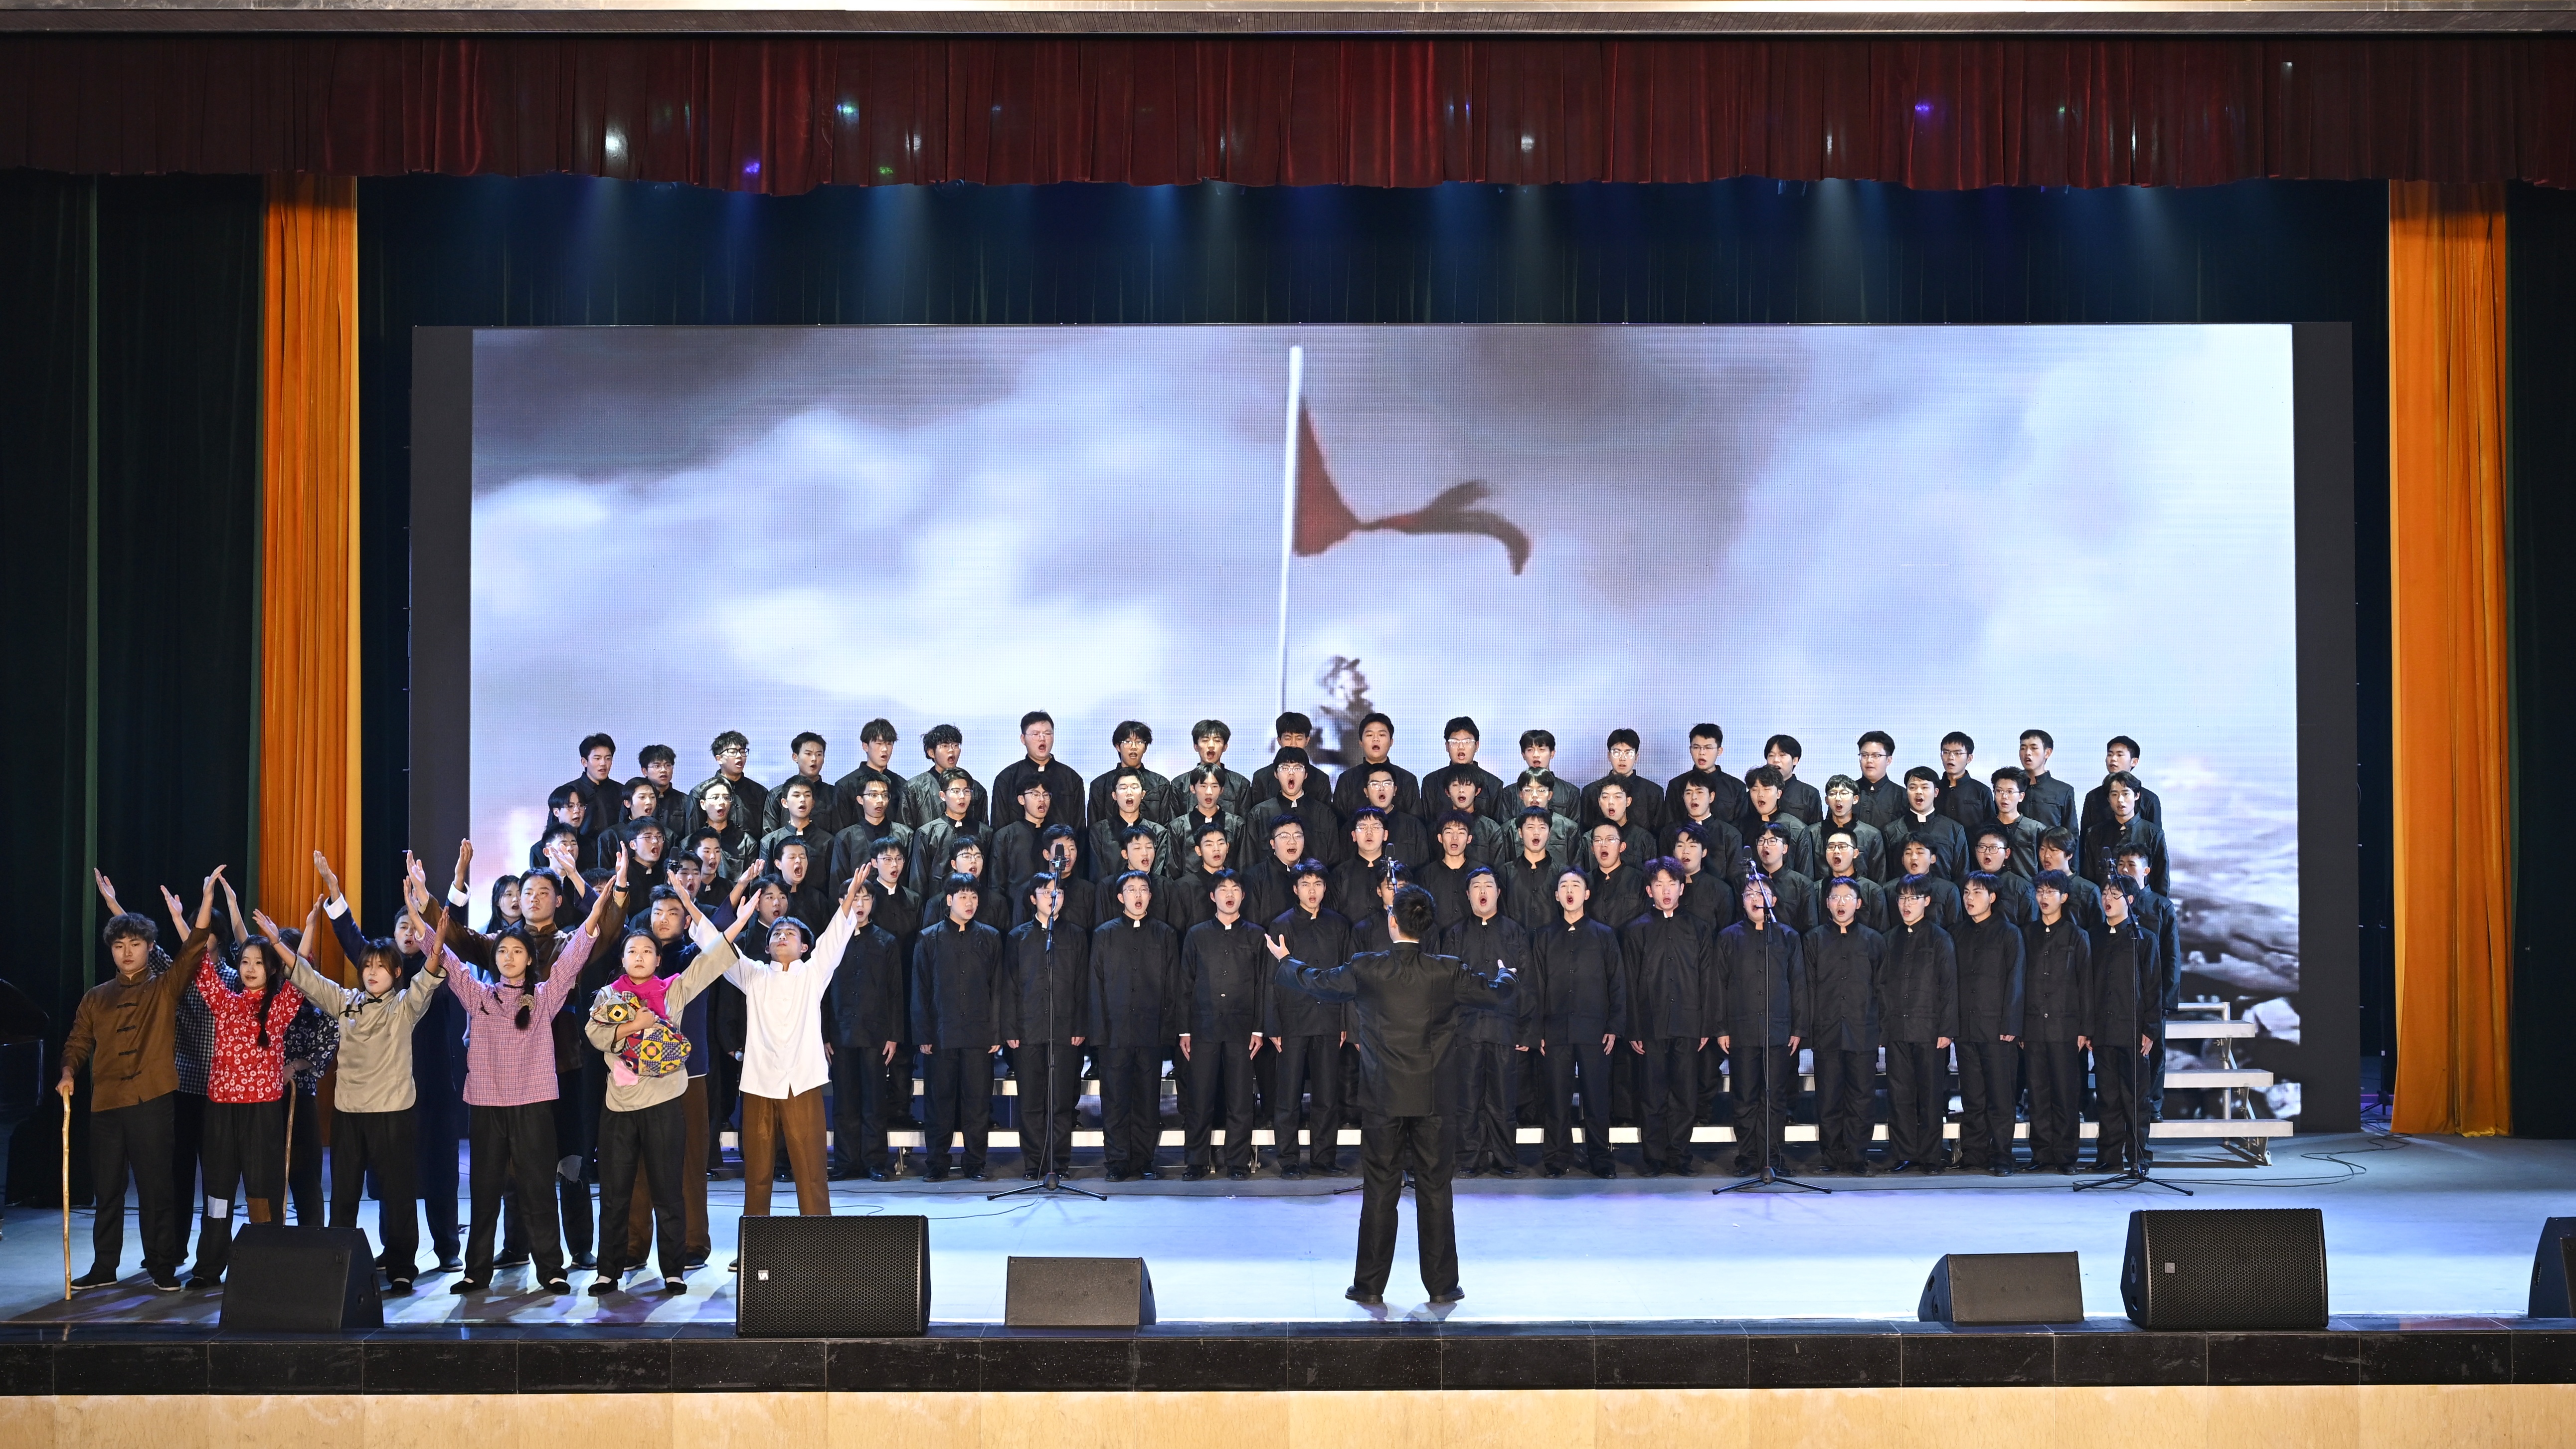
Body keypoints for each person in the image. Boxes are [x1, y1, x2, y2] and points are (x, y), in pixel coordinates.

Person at [1270, 883, 1514, 1306]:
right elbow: (1498, 994)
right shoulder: (1447, 971)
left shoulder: (1368, 967)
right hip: (1434, 1099)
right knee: (1435, 1191)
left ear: (1393, 922)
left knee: (1380, 1190)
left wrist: (1286, 961)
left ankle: (1369, 1285)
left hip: (1383, 1097)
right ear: (1427, 925)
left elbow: (1318, 983)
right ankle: (1442, 1286)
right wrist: (1507, 974)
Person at [424, 847, 621, 1294]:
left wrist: (597, 907)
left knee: (538, 1187)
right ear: (494, 958)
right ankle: (477, 1270)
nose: (509, 957)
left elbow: (576, 956)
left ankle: (551, 1268)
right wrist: (422, 904)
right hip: (487, 1105)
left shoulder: (545, 996)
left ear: (530, 959)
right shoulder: (479, 995)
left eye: (518, 951)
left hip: (534, 1102)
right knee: (485, 1191)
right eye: (503, 951)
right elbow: (445, 956)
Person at [270, 870, 446, 1293]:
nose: (371, 973)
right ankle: (340, 1263)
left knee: (398, 1193)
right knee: (345, 1194)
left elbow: (430, 973)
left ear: (396, 973)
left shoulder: (405, 1005)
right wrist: (277, 942)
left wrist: (434, 935)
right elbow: (308, 980)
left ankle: (402, 1265)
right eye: (367, 966)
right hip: (349, 1113)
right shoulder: (346, 1001)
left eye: (380, 967)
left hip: (393, 1113)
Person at [57, 870, 216, 1292]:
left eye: (135, 945)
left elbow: (193, 951)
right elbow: (78, 1041)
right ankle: (104, 1266)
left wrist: (205, 900)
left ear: (149, 948)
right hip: (107, 1103)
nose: (127, 953)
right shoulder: (96, 997)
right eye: (119, 946)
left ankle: (162, 1265)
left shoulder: (164, 987)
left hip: (153, 1101)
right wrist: (69, 1072)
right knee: (107, 1190)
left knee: (156, 1188)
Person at [582, 882, 738, 1295]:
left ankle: (673, 1269)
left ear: (657, 959)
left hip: (666, 1102)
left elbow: (711, 960)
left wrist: (740, 918)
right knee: (616, 1192)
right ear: (622, 959)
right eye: (632, 951)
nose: (639, 957)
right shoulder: (609, 995)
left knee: (670, 1190)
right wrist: (634, 1025)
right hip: (620, 1106)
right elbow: (596, 1036)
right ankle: (608, 1270)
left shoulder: (672, 991)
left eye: (647, 952)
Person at [726, 866, 865, 1220]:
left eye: (790, 933)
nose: (782, 936)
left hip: (802, 1081)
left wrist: (851, 894)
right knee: (757, 1172)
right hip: (759, 1080)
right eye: (776, 933)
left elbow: (834, 937)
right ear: (767, 946)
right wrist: (690, 903)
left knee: (811, 1168)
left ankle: (819, 1238)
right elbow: (718, 949)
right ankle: (755, 1238)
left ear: (804, 946)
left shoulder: (812, 972)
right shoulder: (754, 974)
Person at [187, 896, 309, 1287]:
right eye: (244, 962)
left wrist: (292, 935)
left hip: (262, 1111)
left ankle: (265, 1266)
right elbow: (197, 958)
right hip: (221, 1110)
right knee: (218, 1192)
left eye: (258, 963)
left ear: (271, 968)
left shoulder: (279, 1007)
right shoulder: (225, 1002)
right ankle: (209, 1266)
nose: (250, 969)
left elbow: (302, 970)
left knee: (262, 1192)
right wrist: (192, 910)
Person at [911, 872, 1014, 1182]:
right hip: (941, 1034)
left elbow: (998, 989)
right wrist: (923, 1033)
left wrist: (996, 1032)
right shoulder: (929, 938)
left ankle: (975, 1164)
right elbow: (920, 989)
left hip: (979, 1034)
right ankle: (937, 1164)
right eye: (963, 897)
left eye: (974, 897)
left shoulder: (991, 937)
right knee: (939, 1102)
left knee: (977, 1102)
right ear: (949, 900)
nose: (970, 903)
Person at [1435, 866, 1534, 1177]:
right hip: (1466, 1028)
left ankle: (1506, 1159)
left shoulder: (1515, 932)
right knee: (1468, 1099)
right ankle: (1469, 1159)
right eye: (1476, 886)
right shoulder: (1454, 934)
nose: (1483, 891)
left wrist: (1526, 1030)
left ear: (1498, 893)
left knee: (1503, 1099)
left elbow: (1528, 983)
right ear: (1468, 895)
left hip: (1504, 1027)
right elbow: (1445, 986)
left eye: (1488, 886)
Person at [1622, 859, 1716, 1177]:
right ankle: (1654, 1158)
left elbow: (1707, 979)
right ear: (1649, 891)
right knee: (1652, 1095)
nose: (1666, 890)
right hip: (1650, 1024)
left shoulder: (1699, 928)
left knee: (1685, 1095)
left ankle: (1679, 1156)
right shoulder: (1636, 930)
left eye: (1672, 884)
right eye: (1659, 884)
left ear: (1681, 888)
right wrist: (1633, 1028)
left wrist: (1706, 1025)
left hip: (1688, 1023)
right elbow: (1630, 982)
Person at [1533, 868, 1623, 1180]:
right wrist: (1537, 1030)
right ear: (1557, 896)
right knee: (1556, 1100)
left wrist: (1614, 1026)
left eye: (1576, 885)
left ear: (1587, 894)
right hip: (1555, 1029)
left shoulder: (1604, 935)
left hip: (1594, 1029)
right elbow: (1536, 986)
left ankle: (1601, 1159)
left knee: (1596, 1098)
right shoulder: (1544, 936)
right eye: (1564, 886)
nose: (1570, 891)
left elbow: (1617, 983)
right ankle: (1557, 1159)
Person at [1091, 872, 1182, 1181]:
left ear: (1151, 896)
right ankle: (1117, 1161)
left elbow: (1172, 986)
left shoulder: (1165, 934)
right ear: (1121, 897)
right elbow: (1096, 985)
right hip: (1114, 1032)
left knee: (1147, 1099)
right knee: (1115, 1100)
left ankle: (1144, 1159)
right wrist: (1099, 1032)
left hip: (1150, 1030)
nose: (1138, 895)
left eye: (1143, 889)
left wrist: (1167, 1031)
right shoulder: (1104, 934)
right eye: (1131, 890)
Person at [1714, 874, 1806, 1177]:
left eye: (1762, 893)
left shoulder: (1787, 936)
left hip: (1778, 1030)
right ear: (1742, 902)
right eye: (1750, 894)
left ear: (1773, 901)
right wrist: (1721, 1028)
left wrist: (1798, 1028)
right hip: (1741, 1029)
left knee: (1774, 1096)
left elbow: (1798, 984)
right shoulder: (1729, 937)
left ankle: (1773, 1157)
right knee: (1744, 1096)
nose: (1756, 899)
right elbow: (1719, 984)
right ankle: (1748, 1157)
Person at [1179, 870, 1267, 1180]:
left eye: (1235, 889)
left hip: (1242, 1029)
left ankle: (1238, 1162)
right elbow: (1185, 984)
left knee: (1240, 1100)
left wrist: (1259, 1029)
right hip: (1203, 1027)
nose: (1229, 894)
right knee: (1200, 1097)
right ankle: (1196, 1161)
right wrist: (1185, 1030)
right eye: (1223, 889)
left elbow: (1263, 985)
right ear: (1212, 896)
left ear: (1243, 895)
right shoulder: (1197, 934)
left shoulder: (1257, 935)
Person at [1267, 860, 1351, 1178]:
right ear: (1295, 889)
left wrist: (1344, 1020)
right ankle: (1289, 1161)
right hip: (1292, 1020)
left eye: (1317, 884)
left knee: (1327, 1095)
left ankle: (1323, 1159)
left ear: (1325, 888)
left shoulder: (1338, 925)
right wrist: (1273, 1024)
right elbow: (1271, 978)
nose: (1312, 891)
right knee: (1288, 1095)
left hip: (1329, 1017)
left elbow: (1346, 976)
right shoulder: (1281, 924)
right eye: (1305, 884)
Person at [1005, 872, 1087, 1180]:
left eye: (1059, 893)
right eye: (1047, 892)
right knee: (1030, 1102)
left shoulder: (1076, 935)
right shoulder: (1018, 937)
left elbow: (1082, 985)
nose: (1054, 898)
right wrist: (1010, 1029)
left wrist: (1079, 1025)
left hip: (1065, 1030)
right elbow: (1010, 986)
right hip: (1027, 1030)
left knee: (1061, 1101)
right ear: (1033, 898)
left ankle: (1059, 1163)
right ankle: (1033, 1163)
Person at [827, 871, 905, 1182]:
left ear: (873, 902)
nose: (860, 904)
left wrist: (894, 1036)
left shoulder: (887, 942)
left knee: (874, 1101)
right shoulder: (831, 940)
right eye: (854, 898)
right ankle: (846, 1162)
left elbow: (895, 992)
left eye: (866, 898)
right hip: (840, 1033)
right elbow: (820, 992)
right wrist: (824, 1035)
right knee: (844, 1101)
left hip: (876, 1033)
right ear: (842, 902)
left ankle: (875, 1162)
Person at [1804, 878, 1885, 1175]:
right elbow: (1808, 988)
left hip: (1863, 1031)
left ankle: (1857, 1156)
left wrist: (1881, 1030)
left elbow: (1881, 988)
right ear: (1827, 903)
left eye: (1847, 898)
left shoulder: (1874, 940)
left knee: (1861, 1097)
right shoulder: (1813, 939)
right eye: (1835, 898)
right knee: (1828, 1097)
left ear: (1858, 903)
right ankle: (1831, 1156)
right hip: (1826, 1030)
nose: (1841, 903)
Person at [1880, 877, 1957, 1176]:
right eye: (1902, 898)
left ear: (1927, 901)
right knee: (1900, 1096)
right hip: (1897, 1030)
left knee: (1931, 1097)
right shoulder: (1889, 938)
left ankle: (1931, 1157)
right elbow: (1881, 987)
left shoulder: (1940, 938)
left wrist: (1946, 1030)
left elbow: (1948, 986)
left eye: (1913, 899)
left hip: (1930, 1031)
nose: (1906, 905)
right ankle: (1903, 1154)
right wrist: (1884, 1029)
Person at [1953, 872, 2027, 1176]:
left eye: (1977, 892)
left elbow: (2016, 981)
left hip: (1998, 1030)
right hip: (1966, 1027)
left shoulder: (2009, 933)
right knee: (1973, 1097)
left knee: (2001, 1097)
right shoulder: (1958, 933)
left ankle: (2002, 1155)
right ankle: (1974, 1153)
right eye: (1966, 892)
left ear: (1992, 898)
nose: (1969, 898)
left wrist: (2011, 1025)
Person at [2022, 872, 2093, 1174]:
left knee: (2065, 1095)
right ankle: (2041, 1154)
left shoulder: (2077, 936)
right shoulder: (2027, 934)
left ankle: (2065, 1156)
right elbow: (2020, 983)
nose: (2044, 897)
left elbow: (2086, 984)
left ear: (2064, 898)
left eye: (2050, 892)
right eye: (2040, 891)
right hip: (2033, 1027)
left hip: (2066, 1028)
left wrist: (2085, 1029)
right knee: (2038, 1094)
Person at [2088, 877, 2160, 1173]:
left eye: (2114, 894)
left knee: (2135, 1099)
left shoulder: (2143, 938)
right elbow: (2088, 986)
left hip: (2132, 1030)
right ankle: (2108, 1157)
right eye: (2105, 894)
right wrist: (2089, 1028)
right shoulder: (2094, 936)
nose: (2107, 899)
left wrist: (2150, 1029)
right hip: (2103, 1030)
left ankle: (2139, 1158)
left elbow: (2153, 987)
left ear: (2130, 901)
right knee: (2107, 1098)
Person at [992, 711, 1089, 835]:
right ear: (1023, 739)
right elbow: (999, 829)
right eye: (1035, 734)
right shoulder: (1007, 778)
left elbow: (1080, 829)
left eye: (1047, 734)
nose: (1042, 738)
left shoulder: (1071, 778)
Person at [2082, 772, 2172, 898]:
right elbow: (2088, 878)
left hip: (2143, 905)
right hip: (2105, 904)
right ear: (2108, 799)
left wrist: (2158, 906)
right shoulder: (2095, 834)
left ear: (2137, 795)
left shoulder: (2153, 833)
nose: (2120, 800)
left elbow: (2161, 877)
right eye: (2114, 794)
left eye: (2126, 794)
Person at [830, 775, 913, 895]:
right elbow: (838, 882)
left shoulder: (905, 835)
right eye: (873, 795)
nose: (880, 800)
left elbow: (910, 879)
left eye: (885, 795)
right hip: (858, 902)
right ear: (860, 800)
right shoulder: (846, 837)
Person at [1329, 712, 1420, 820]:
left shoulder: (1407, 780)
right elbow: (1338, 822)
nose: (1376, 739)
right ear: (1361, 742)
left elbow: (1416, 823)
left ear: (1391, 742)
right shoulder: (1347, 779)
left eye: (1382, 735)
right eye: (1370, 735)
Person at [1262, 746, 1343, 868]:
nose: (1291, 773)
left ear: (1306, 775)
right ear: (1276, 774)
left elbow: (1333, 860)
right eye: (1285, 768)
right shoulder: (1260, 813)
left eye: (1298, 768)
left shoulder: (1324, 814)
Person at [1885, 766, 1967, 882]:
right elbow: (1888, 874)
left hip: (1943, 893)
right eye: (1913, 788)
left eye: (1925, 787)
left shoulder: (1954, 829)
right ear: (1907, 792)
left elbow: (1962, 875)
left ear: (1936, 792)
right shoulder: (1891, 830)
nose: (1919, 792)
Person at [1422, 717, 1510, 822]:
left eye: (1467, 741)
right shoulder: (1432, 782)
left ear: (1477, 746)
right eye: (1455, 742)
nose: (1461, 747)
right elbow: (1427, 824)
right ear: (1447, 746)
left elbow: (1498, 827)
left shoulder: (1493, 785)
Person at [1166, 763, 1248, 875]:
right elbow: (1172, 871)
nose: (1209, 792)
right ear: (1193, 788)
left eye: (1214, 786)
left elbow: (1242, 866)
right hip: (1189, 886)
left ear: (1222, 790)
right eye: (1203, 786)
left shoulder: (1236, 825)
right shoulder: (1178, 827)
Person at [2079, 735, 2165, 841]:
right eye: (2110, 755)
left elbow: (2156, 839)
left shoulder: (2149, 799)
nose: (2113, 759)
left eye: (2120, 755)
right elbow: (2084, 837)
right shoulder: (2093, 797)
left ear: (2134, 762)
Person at [1089, 720, 1174, 826]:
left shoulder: (1160, 784)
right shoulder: (1100, 785)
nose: (1134, 747)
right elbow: (1094, 827)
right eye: (1128, 742)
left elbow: (1165, 826)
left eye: (1139, 742)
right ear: (1118, 746)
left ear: (1145, 748)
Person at [905, 724, 988, 831]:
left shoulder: (975, 788)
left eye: (955, 745)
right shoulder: (915, 788)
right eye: (945, 746)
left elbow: (983, 831)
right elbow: (905, 833)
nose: (951, 750)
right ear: (931, 753)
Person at [1581, 728, 1666, 832]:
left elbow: (1658, 834)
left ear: (1637, 757)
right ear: (1609, 756)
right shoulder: (1591, 791)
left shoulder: (1654, 792)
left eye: (1628, 753)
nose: (1622, 759)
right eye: (1617, 753)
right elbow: (1587, 832)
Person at [830, 718, 910, 828]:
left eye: (889, 744)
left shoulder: (901, 784)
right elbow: (840, 830)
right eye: (879, 743)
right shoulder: (846, 785)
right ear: (865, 746)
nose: (885, 749)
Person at [1665, 724, 1748, 828]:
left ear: (1719, 751)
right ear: (1690, 749)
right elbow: (1670, 827)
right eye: (1696, 747)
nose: (1702, 753)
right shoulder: (1676, 785)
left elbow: (1741, 828)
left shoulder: (1736, 787)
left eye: (1708, 748)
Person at [691, 731, 770, 837]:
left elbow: (766, 836)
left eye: (743, 752)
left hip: (751, 847)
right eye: (733, 752)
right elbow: (692, 836)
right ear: (719, 759)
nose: (739, 756)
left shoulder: (760, 792)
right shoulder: (700, 792)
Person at [1738, 766, 1814, 877]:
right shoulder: (1740, 828)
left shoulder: (1797, 829)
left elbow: (1805, 877)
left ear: (1779, 794)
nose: (1760, 795)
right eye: (1755, 790)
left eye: (1766, 789)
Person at [764, 732, 842, 835]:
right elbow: (769, 837)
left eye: (819, 754)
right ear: (795, 757)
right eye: (808, 754)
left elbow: (840, 836)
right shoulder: (778, 795)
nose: (814, 759)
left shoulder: (834, 794)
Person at [1982, 767, 2046, 879]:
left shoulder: (2036, 829)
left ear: (2021, 796)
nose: (2004, 797)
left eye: (2010, 792)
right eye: (1999, 791)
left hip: (2028, 888)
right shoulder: (1985, 829)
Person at [1187, 719, 1256, 819]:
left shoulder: (1240, 784)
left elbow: (1244, 823)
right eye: (1205, 741)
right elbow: (1176, 824)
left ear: (1225, 747)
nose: (1211, 746)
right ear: (1196, 746)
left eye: (1217, 741)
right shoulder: (1180, 784)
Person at [1583, 821, 1646, 929]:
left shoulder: (1640, 880)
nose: (1603, 845)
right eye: (1598, 841)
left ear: (1622, 847)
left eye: (1610, 840)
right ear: (1593, 849)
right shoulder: (1585, 883)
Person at [1249, 712, 1317, 807]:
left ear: (1307, 741)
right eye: (1288, 739)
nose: (1294, 745)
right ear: (1279, 740)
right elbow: (1257, 813)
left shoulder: (1320, 779)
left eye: (1299, 739)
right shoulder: (1261, 778)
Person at [2017, 729, 2079, 834]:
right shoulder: (2011, 788)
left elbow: (2071, 834)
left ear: (2047, 753)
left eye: (2034, 748)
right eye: (2023, 748)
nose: (2027, 753)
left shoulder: (2063, 791)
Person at [1515, 730, 1582, 819]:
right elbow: (1508, 826)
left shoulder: (1570, 792)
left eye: (1542, 750)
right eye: (1530, 750)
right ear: (1523, 755)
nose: (1536, 755)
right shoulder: (1510, 793)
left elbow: (1574, 826)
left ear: (1552, 753)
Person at [1935, 731, 1993, 829]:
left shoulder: (1982, 791)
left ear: (1969, 758)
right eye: (1946, 752)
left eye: (1957, 753)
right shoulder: (1933, 789)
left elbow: (1991, 827)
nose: (1951, 757)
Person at [1852, 731, 1908, 831]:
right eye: (1864, 755)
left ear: (1889, 760)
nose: (1869, 760)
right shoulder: (1848, 792)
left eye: (1876, 756)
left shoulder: (1902, 796)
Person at [1761, 736, 1823, 826]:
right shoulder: (1757, 792)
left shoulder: (1809, 794)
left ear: (1795, 760)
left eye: (1782, 755)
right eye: (1771, 756)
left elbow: (1816, 830)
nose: (1776, 760)